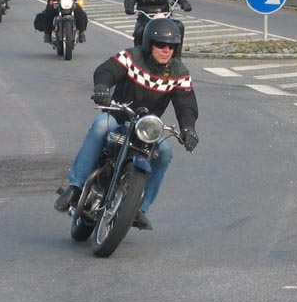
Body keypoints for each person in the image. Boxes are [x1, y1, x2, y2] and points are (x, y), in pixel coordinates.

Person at [54, 18, 199, 231]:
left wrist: (189, 128)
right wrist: (102, 87)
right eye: (161, 44)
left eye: (172, 46)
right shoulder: (131, 57)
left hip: (145, 128)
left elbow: (186, 103)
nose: (166, 50)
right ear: (149, 43)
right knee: (100, 127)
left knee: (165, 152)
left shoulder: (180, 73)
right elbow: (106, 71)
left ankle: (140, 208)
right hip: (117, 116)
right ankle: (75, 187)